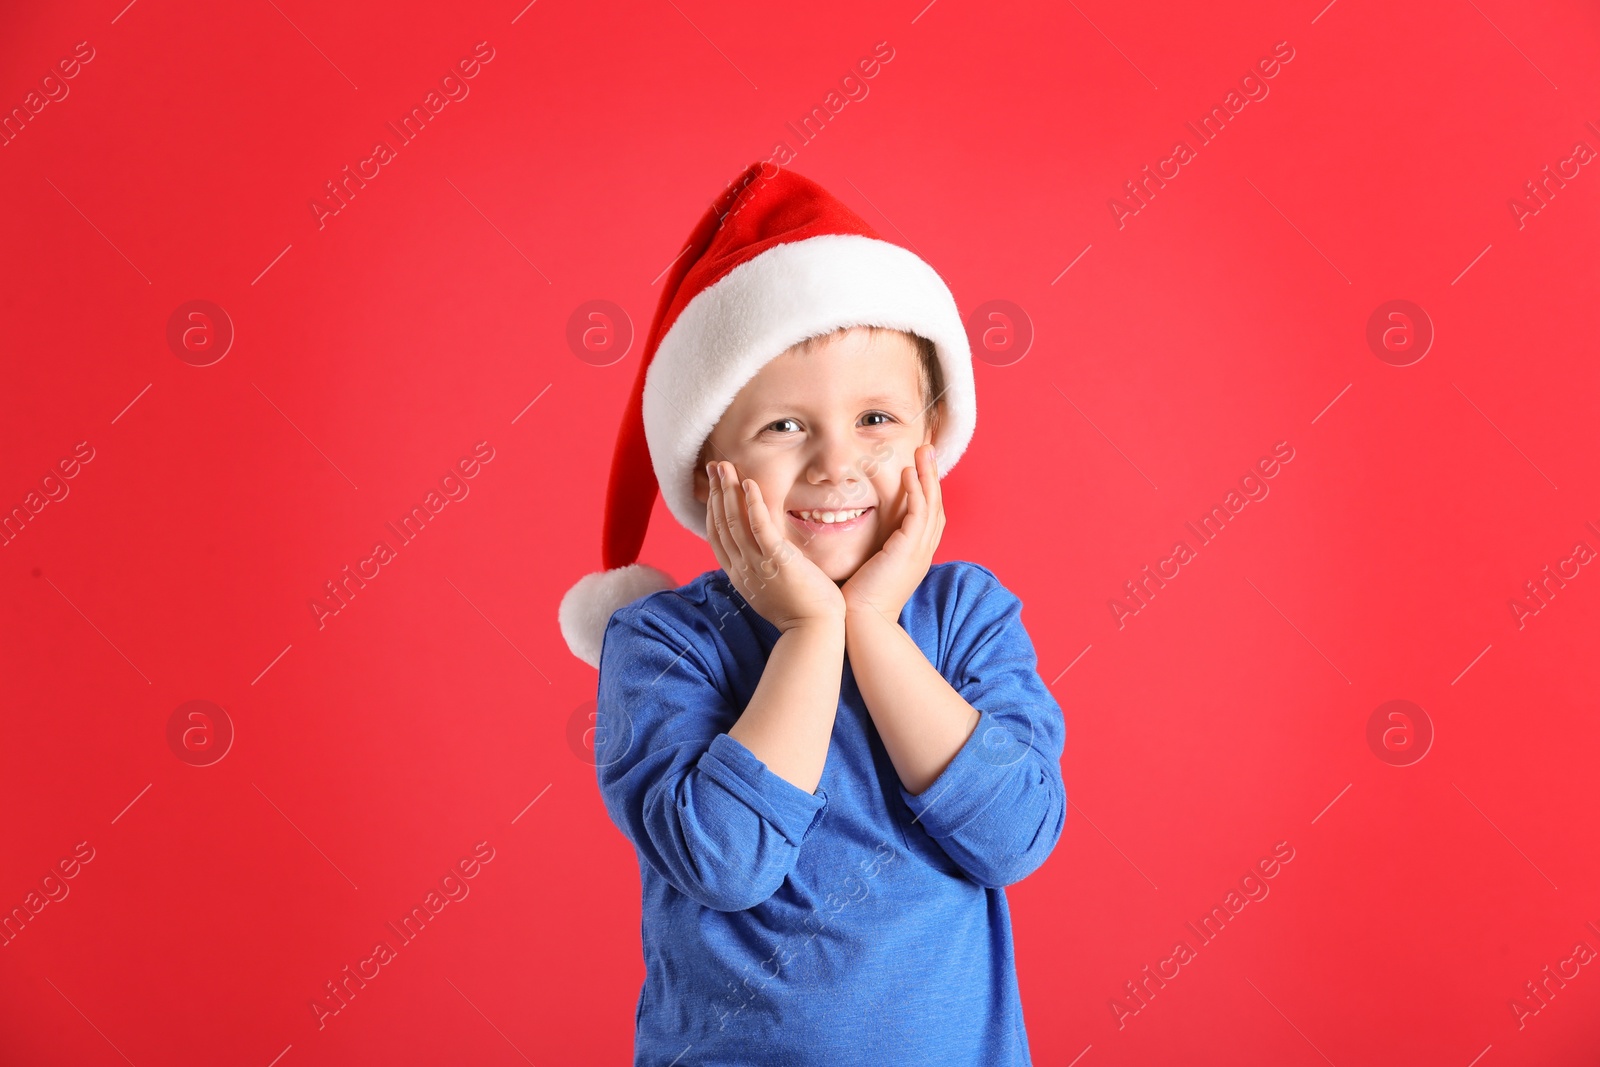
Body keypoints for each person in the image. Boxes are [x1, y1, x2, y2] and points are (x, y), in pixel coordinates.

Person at [558, 162, 1067, 1066]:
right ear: (708, 461)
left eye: (876, 417)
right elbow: (725, 860)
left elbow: (1012, 836)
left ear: (929, 439)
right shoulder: (663, 646)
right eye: (785, 427)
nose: (837, 463)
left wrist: (869, 626)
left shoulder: (970, 617)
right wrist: (808, 633)